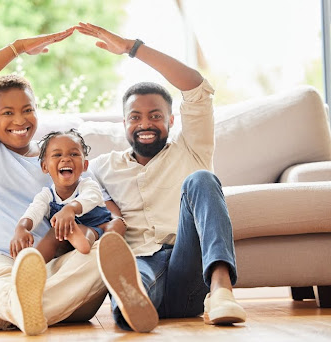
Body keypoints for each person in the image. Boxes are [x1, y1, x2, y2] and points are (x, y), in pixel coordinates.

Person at [0, 26, 124, 336]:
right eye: (7, 112)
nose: (20, 120)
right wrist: (19, 47)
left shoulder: (63, 161)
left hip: (45, 267)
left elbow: (111, 213)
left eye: (27, 110)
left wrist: (104, 232)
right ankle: (20, 306)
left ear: (37, 111)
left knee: (101, 257)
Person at [74, 22, 247, 332]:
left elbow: (195, 86)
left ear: (170, 119)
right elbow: (56, 175)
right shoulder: (101, 167)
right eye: (136, 117)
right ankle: (131, 304)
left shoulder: (191, 148)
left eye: (155, 116)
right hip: (140, 265)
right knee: (132, 278)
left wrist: (131, 47)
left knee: (202, 179)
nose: (146, 123)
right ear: (124, 123)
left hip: (188, 271)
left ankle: (222, 292)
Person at [11, 129, 112, 263]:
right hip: (64, 236)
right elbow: (34, 211)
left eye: (74, 154)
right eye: (57, 155)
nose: (66, 159)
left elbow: (90, 197)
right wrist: (21, 228)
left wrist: (70, 209)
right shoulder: (46, 195)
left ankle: (84, 243)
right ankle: (34, 264)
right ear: (44, 166)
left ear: (85, 165)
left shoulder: (88, 186)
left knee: (89, 230)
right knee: (53, 233)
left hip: (94, 229)